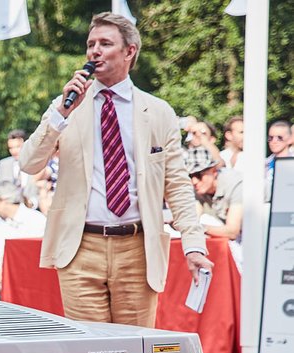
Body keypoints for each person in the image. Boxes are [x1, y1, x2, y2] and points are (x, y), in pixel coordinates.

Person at [19, 12, 211, 327]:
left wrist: (193, 245)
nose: (95, 51)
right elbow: (29, 163)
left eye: (105, 43)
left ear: (129, 51)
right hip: (80, 248)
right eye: (91, 44)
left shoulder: (158, 111)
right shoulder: (67, 106)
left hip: (138, 249)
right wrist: (61, 113)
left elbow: (176, 185)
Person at [187, 148, 243, 263]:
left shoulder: (236, 184)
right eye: (190, 176)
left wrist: (199, 227)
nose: (194, 181)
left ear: (214, 171)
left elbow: (232, 231)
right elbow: (194, 219)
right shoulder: (199, 188)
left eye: (198, 175)